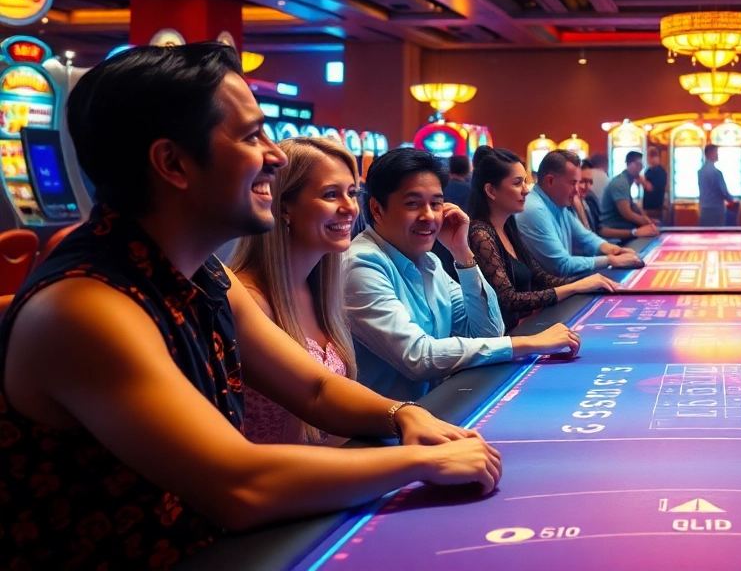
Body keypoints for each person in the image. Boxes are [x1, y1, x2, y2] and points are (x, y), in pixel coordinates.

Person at [0, 44, 500, 568]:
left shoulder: (202, 274)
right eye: (250, 136)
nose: (277, 155)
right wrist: (418, 463)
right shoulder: (87, 306)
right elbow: (240, 486)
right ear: (172, 163)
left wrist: (403, 415)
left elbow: (315, 387)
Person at [345, 148, 580, 401]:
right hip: (381, 430)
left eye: (435, 203)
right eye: (413, 203)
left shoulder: (429, 261)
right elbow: (418, 356)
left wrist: (462, 253)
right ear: (377, 210)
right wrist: (526, 343)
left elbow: (488, 332)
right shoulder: (362, 263)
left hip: (432, 408)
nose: (428, 216)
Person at [230, 137, 361, 445]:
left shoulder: (318, 288)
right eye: (331, 194)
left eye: (352, 193)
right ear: (284, 206)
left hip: (326, 475)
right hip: (278, 484)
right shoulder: (249, 300)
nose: (349, 207)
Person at [466, 146, 616, 331]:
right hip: (502, 340)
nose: (526, 190)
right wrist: (574, 287)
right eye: (517, 183)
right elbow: (509, 300)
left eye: (525, 181)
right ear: (491, 191)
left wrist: (585, 284)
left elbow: (541, 276)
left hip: (521, 330)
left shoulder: (508, 225)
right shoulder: (480, 234)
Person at [515, 150, 645, 277]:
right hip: (547, 293)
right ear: (550, 181)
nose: (577, 190)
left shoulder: (557, 203)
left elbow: (585, 237)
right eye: (573, 183)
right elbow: (561, 265)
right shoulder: (534, 209)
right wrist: (609, 260)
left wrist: (614, 249)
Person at [601, 151, 657, 234]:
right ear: (628, 164)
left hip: (621, 224)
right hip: (612, 227)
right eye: (638, 164)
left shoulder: (627, 180)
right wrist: (647, 223)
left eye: (642, 165)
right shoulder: (621, 182)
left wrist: (645, 218)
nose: (640, 168)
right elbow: (627, 213)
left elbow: (632, 205)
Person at [698, 144, 735, 227]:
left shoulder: (700, 171)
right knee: (718, 235)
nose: (718, 155)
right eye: (716, 152)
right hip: (716, 209)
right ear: (710, 154)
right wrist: (731, 200)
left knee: (705, 235)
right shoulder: (716, 173)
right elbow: (722, 190)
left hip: (704, 208)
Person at [574, 158, 603, 233]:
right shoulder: (564, 206)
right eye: (582, 181)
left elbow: (599, 230)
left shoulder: (590, 199)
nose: (588, 187)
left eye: (590, 182)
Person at [642, 148, 669, 224]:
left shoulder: (660, 172)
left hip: (655, 208)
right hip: (647, 207)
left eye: (648, 156)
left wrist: (642, 180)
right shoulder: (648, 171)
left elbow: (651, 188)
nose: (647, 159)